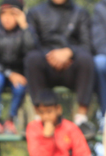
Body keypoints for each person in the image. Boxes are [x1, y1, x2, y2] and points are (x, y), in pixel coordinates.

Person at [25, 0, 97, 136]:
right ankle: (40, 117)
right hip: (45, 65)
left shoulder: (81, 13)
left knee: (87, 59)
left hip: (71, 66)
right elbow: (30, 44)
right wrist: (52, 56)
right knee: (32, 59)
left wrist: (70, 52)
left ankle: (81, 119)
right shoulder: (35, 13)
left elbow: (87, 45)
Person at [0, 0, 33, 134]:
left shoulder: (27, 29)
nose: (7, 18)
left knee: (20, 85)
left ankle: (10, 120)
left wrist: (25, 27)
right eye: (4, 13)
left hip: (19, 74)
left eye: (12, 14)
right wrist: (8, 73)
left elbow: (33, 53)